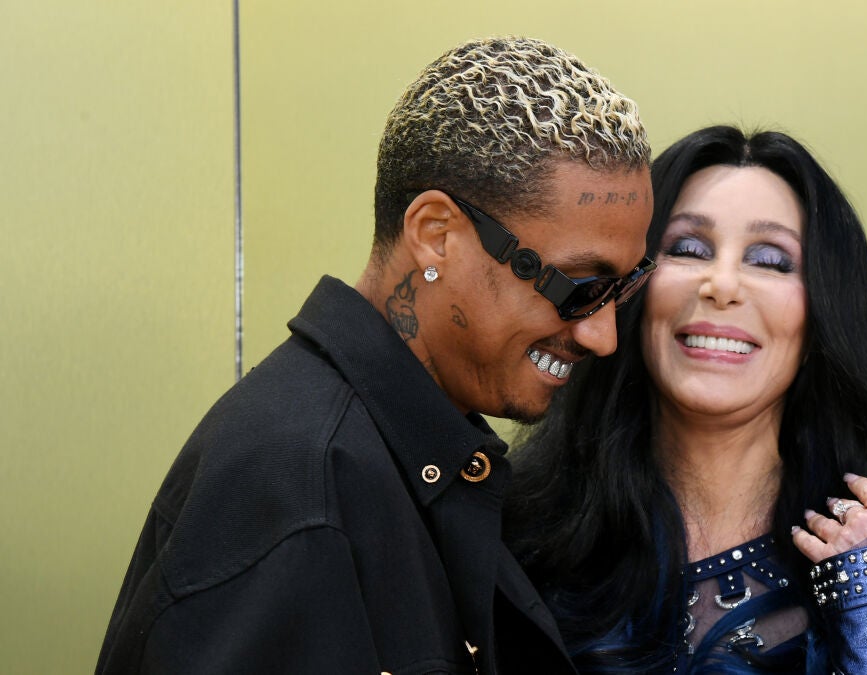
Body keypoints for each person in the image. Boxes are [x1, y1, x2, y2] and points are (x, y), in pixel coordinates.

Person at [96, 36, 656, 674]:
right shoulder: (298, 494)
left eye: (625, 288)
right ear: (436, 236)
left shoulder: (403, 456)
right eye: (579, 287)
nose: (603, 336)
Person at [506, 126, 867, 673]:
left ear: (822, 314)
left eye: (770, 261)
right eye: (688, 249)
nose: (722, 285)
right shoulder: (513, 535)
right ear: (626, 289)